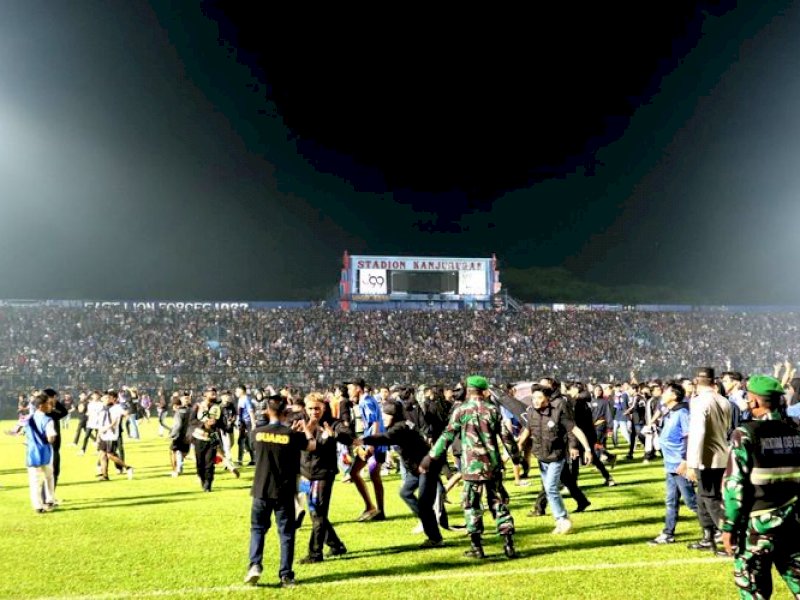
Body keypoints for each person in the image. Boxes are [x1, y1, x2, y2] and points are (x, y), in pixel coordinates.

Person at [422, 375, 518, 559]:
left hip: (471, 467)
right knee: (498, 503)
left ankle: (477, 547)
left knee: (471, 505)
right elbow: (506, 436)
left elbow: (447, 436)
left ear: (468, 390)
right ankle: (509, 545)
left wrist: (430, 457)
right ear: (484, 391)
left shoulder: (461, 410)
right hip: (492, 466)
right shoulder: (493, 410)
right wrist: (516, 457)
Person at [721, 375, 800, 599]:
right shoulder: (797, 430)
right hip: (794, 523)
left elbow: (734, 485)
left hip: (757, 527)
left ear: (754, 401)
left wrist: (729, 527)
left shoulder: (745, 434)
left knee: (753, 590)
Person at [244, 396, 317, 588]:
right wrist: (307, 431)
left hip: (261, 489)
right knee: (286, 534)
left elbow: (257, 448)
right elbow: (312, 446)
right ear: (286, 412)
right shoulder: (291, 435)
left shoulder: (257, 433)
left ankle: (255, 565)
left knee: (258, 529)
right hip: (284, 491)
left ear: (267, 411)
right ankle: (286, 575)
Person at [362, 400, 447, 548]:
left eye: (386, 414)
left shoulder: (400, 427)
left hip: (425, 467)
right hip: (416, 468)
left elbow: (386, 438)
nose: (383, 418)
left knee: (424, 503)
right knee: (405, 492)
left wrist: (364, 440)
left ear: (393, 415)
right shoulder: (403, 424)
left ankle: (435, 538)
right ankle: (426, 520)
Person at [298, 393, 351, 563]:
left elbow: (348, 436)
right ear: (306, 408)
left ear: (324, 408)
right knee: (315, 512)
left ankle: (315, 553)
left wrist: (334, 435)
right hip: (305, 475)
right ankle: (336, 545)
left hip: (323, 474)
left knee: (318, 513)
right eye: (311, 408)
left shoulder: (333, 423)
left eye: (317, 408)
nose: (314, 412)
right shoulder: (301, 422)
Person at [686, 367, 732, 555]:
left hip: (705, 457)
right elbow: (726, 428)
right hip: (721, 454)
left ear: (696, 382)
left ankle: (730, 537)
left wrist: (691, 463)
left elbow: (698, 433)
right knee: (703, 497)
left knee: (710, 498)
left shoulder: (699, 402)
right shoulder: (724, 400)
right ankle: (708, 537)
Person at [648, 382, 697, 544]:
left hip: (679, 464)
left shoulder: (682, 412)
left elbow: (689, 437)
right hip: (670, 465)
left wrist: (685, 461)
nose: (663, 394)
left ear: (674, 396)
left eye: (666, 392)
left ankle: (719, 528)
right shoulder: (670, 411)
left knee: (691, 501)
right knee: (671, 501)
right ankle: (668, 533)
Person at [347, 378, 386, 521]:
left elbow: (374, 422)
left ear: (358, 388)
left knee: (360, 473)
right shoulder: (366, 400)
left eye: (350, 388)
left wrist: (371, 444)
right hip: (373, 442)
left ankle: (374, 508)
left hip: (375, 443)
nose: (348, 391)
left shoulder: (366, 401)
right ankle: (376, 509)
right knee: (369, 475)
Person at [25, 392, 57, 513]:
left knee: (34, 480)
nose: (50, 406)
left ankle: (37, 506)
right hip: (45, 451)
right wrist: (51, 440)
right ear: (41, 406)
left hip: (32, 452)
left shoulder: (28, 418)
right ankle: (50, 500)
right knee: (49, 477)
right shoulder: (48, 420)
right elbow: (50, 437)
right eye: (48, 403)